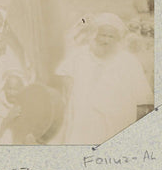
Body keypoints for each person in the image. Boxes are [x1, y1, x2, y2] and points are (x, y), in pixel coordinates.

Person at [56, 12, 153, 144]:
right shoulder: (81, 55)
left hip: (116, 123)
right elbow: (63, 75)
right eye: (103, 35)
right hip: (84, 122)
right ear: (95, 35)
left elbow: (143, 99)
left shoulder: (129, 61)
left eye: (110, 36)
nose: (106, 40)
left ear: (118, 39)